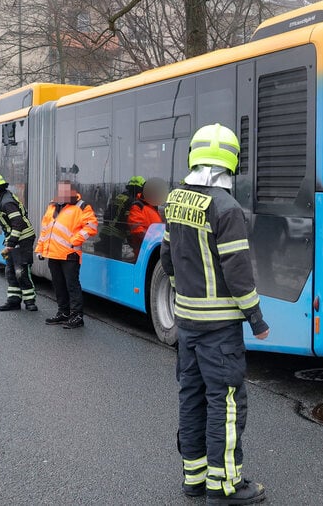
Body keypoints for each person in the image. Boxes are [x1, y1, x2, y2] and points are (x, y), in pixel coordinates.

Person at [161, 123, 269, 505]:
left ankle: (194, 478)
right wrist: (256, 317)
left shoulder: (175, 200)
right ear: (231, 161)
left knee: (191, 396)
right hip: (220, 329)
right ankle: (225, 487)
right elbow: (238, 273)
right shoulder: (226, 207)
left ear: (194, 155)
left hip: (186, 324)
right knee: (225, 405)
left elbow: (167, 258)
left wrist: (184, 288)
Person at [36, 180, 98, 329]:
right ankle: (63, 312)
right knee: (58, 285)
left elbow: (92, 226)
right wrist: (40, 249)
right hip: (53, 254)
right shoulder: (52, 206)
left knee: (72, 286)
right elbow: (45, 229)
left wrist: (74, 241)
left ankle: (77, 316)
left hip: (70, 254)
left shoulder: (81, 206)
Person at [0, 172, 38, 311]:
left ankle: (30, 301)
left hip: (22, 238)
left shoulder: (7, 202)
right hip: (15, 238)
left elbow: (17, 223)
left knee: (22, 270)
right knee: (11, 270)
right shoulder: (4, 198)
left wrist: (11, 244)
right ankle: (14, 300)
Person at [97, 176, 144, 261]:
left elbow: (107, 213)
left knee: (106, 261)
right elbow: (127, 222)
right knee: (115, 261)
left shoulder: (120, 196)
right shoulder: (132, 201)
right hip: (115, 236)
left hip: (105, 232)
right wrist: (132, 241)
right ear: (139, 189)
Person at [126, 177, 167, 257]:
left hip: (155, 247)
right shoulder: (138, 207)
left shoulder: (152, 207)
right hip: (144, 250)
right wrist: (153, 238)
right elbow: (137, 231)